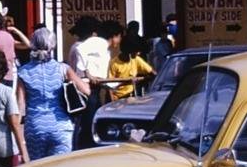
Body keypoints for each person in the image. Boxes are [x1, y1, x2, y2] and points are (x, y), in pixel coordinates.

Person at [17, 26, 89, 159]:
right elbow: (86, 90)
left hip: (35, 127)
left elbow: (20, 105)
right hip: (61, 127)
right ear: (52, 46)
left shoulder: (23, 72)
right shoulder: (63, 69)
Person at [69, 17, 111, 149]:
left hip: (90, 87)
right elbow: (80, 69)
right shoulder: (79, 48)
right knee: (87, 122)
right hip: (85, 88)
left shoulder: (79, 47)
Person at [106, 33, 154, 100]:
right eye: (136, 51)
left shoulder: (136, 60)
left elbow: (152, 73)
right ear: (129, 51)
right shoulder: (114, 63)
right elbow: (109, 86)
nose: (138, 53)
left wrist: (141, 80)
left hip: (131, 96)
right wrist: (113, 102)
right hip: (117, 98)